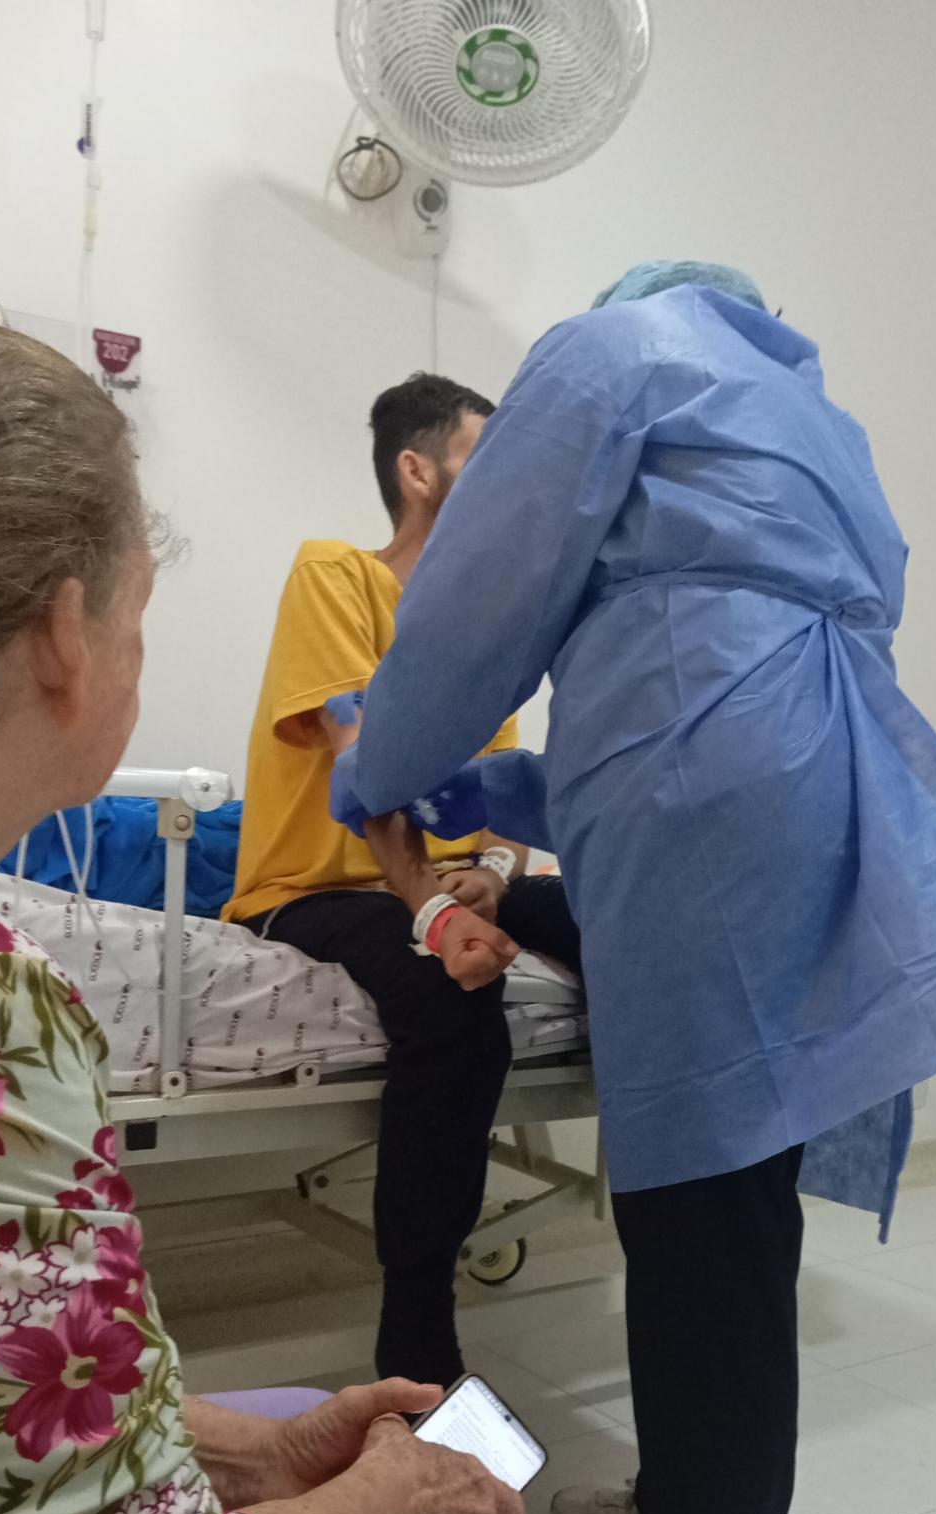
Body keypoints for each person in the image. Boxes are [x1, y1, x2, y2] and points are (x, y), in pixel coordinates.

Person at [329, 260, 936, 1514]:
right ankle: (690, 1507)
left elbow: (485, 598)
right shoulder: (816, 422)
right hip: (798, 776)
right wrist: (504, 786)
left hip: (700, 787)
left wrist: (390, 757)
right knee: (736, 1197)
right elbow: (699, 665)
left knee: (696, 1210)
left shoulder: (613, 349)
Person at [0, 311, 523, 1514]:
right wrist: (386, 1499)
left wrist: (265, 1450)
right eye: (142, 612)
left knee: (302, 1406)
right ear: (65, 633)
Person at [225, 373, 581, 1389]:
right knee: (451, 1001)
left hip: (437, 878)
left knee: (619, 917)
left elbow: (498, 806)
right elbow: (362, 764)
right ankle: (417, 1336)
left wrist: (491, 879)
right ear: (416, 472)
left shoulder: (484, 634)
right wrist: (427, 908)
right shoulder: (334, 573)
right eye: (485, 456)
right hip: (316, 889)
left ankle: (681, 1233)